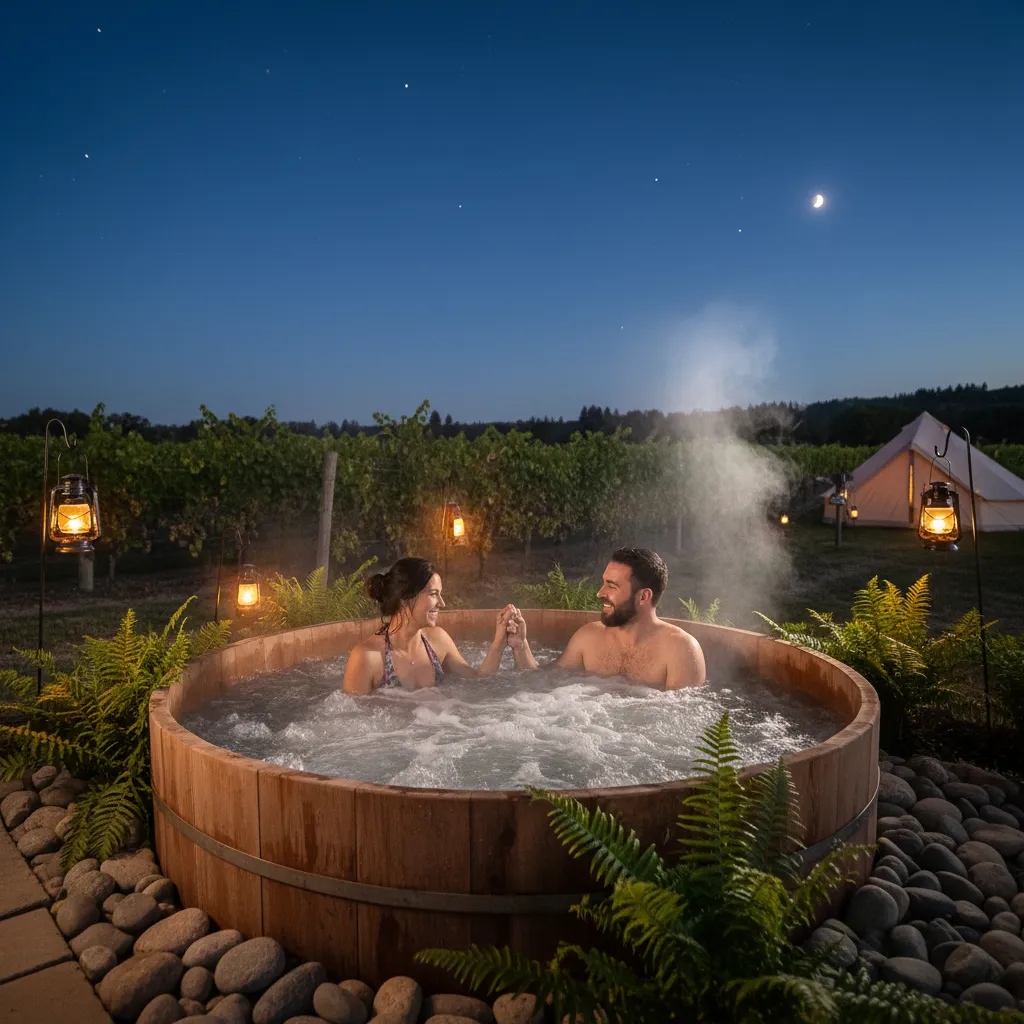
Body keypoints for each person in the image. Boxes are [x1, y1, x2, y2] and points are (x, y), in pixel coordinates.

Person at [506, 547, 706, 689]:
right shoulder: (589, 637)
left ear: (644, 596)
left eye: (612, 586)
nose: (600, 593)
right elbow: (541, 681)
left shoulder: (679, 650)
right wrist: (520, 645)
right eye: (603, 583)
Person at [342, 556, 515, 694]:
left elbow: (480, 682)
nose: (442, 603)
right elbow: (351, 723)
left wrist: (499, 642)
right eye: (433, 594)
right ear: (405, 598)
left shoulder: (437, 640)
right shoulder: (367, 657)